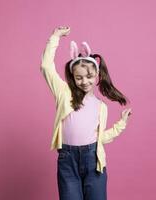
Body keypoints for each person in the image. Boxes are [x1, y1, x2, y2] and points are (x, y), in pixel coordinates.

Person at [40, 26, 132, 200]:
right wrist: (55, 37)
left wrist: (121, 124)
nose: (84, 81)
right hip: (68, 160)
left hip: (93, 160)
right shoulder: (64, 93)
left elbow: (100, 139)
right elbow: (46, 67)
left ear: (97, 75)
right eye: (79, 77)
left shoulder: (100, 106)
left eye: (89, 76)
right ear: (72, 77)